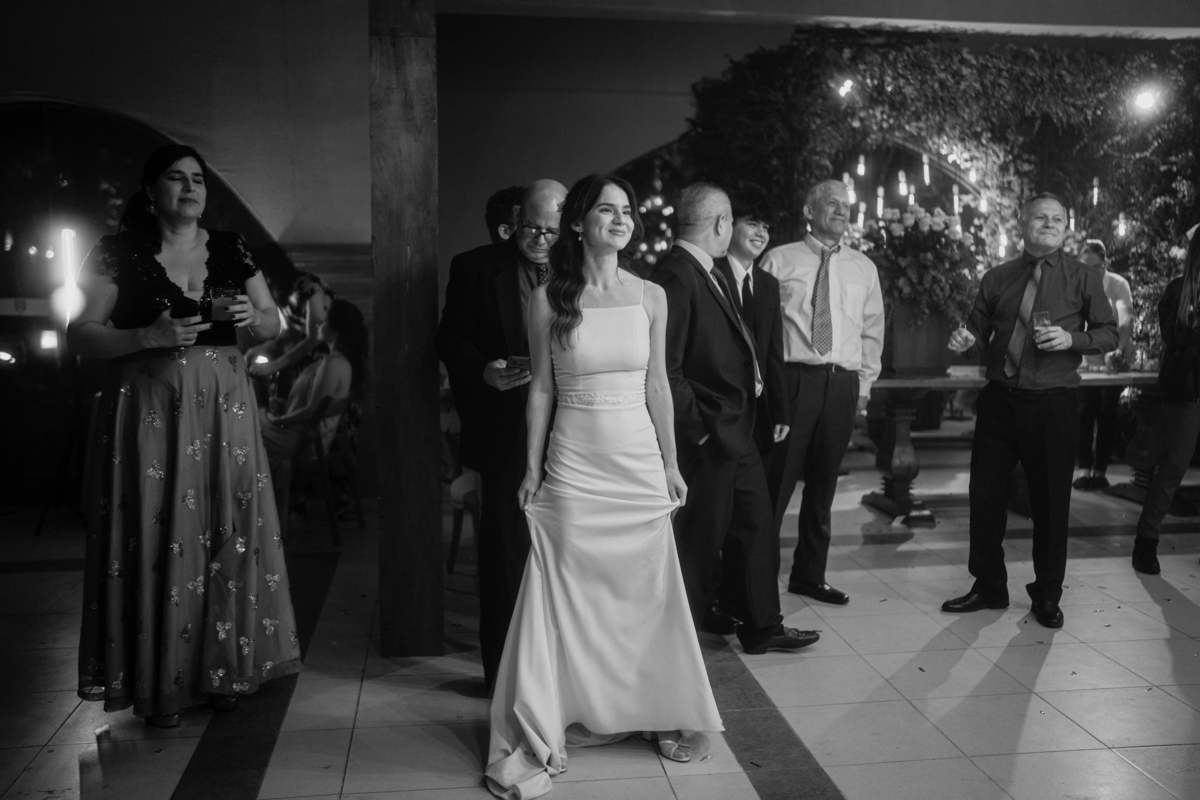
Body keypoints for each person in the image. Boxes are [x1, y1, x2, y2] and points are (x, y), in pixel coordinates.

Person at [486, 174, 722, 800]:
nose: (621, 220)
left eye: (627, 211)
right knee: (569, 591)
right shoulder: (549, 299)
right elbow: (541, 389)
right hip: (573, 461)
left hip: (637, 460)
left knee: (644, 593)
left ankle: (650, 706)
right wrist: (532, 469)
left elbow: (658, 385)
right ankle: (566, 708)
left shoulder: (651, 296)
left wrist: (671, 463)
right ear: (578, 222)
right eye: (606, 210)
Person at [68, 145, 301, 728]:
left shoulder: (230, 247)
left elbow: (273, 322)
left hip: (225, 407)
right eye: (176, 178)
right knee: (157, 531)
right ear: (151, 192)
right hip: (150, 408)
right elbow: (81, 333)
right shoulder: (117, 251)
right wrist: (144, 336)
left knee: (228, 529)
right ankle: (160, 682)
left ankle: (226, 670)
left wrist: (255, 320)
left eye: (198, 178)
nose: (190, 187)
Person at [651, 182, 816, 655]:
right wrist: (699, 431)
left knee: (756, 526)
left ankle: (762, 625)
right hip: (709, 433)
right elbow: (665, 368)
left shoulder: (706, 268)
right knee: (699, 544)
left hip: (736, 427)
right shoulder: (676, 275)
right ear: (722, 223)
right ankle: (674, 647)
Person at [944, 193, 1117, 628]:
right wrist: (965, 340)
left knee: (1051, 501)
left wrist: (1072, 340)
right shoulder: (997, 277)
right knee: (985, 495)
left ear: (1066, 228)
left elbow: (1109, 334)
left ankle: (1047, 594)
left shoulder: (1083, 277)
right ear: (1022, 223)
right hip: (999, 400)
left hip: (1054, 402)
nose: (1050, 224)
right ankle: (989, 585)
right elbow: (976, 332)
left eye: (1058, 219)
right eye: (1041, 217)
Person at [436, 179, 568, 690]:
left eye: (551, 231)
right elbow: (448, 338)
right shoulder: (475, 267)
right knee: (505, 551)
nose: (540, 239)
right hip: (506, 426)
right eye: (531, 227)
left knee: (567, 549)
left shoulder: (577, 270)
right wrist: (483, 371)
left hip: (571, 424)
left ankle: (563, 670)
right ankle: (504, 675)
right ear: (515, 220)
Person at [760, 180, 885, 607]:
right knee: (776, 486)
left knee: (823, 487)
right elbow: (762, 330)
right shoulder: (778, 260)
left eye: (846, 205)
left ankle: (809, 575)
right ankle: (757, 580)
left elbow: (872, 332)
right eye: (832, 203)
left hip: (842, 384)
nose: (841, 211)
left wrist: (864, 385)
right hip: (793, 381)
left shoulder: (863, 267)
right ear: (808, 211)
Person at [707, 208, 789, 634]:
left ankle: (746, 607)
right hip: (717, 415)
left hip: (756, 415)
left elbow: (773, 351)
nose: (761, 232)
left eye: (766, 226)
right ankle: (715, 602)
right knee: (715, 515)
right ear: (727, 227)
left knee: (753, 514)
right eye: (752, 224)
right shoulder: (710, 272)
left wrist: (781, 410)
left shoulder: (768, 284)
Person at [1131, 230, 1200, 574]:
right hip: (1186, 392)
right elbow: (1175, 336)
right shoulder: (1178, 291)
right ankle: (1146, 542)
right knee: (1172, 468)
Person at [259, 299, 367, 488]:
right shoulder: (332, 361)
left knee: (242, 426)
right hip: (296, 434)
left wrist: (281, 421)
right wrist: (285, 406)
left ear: (335, 332)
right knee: (248, 418)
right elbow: (312, 404)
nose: (319, 324)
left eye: (324, 321)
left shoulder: (335, 363)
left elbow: (313, 411)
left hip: (299, 442)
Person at [1073, 239, 1134, 490]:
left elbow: (1125, 318)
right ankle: (1083, 469)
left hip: (1111, 356)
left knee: (1108, 411)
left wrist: (1118, 349)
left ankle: (1100, 470)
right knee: (1084, 411)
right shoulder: (1076, 285)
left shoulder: (1118, 285)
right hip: (1085, 357)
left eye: (1094, 267)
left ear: (1104, 264)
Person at [247, 272, 335, 402]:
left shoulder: (309, 287)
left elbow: (316, 337)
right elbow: (289, 333)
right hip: (300, 363)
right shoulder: (277, 292)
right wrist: (259, 349)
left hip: (326, 360)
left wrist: (274, 365)